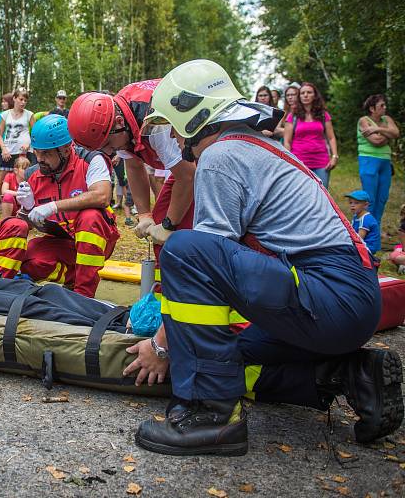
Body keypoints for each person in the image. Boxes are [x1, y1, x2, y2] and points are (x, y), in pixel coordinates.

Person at [129, 58, 401, 457]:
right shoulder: (255, 145)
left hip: (330, 293)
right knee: (229, 357)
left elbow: (203, 263)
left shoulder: (221, 157)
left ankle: (213, 416)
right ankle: (349, 376)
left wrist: (163, 346)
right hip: (346, 301)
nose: (170, 134)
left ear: (194, 116)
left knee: (184, 250)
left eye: (172, 123)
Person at [67, 81, 196, 261]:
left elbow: (188, 177)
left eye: (108, 145)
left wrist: (169, 225)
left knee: (182, 233)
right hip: (189, 169)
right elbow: (134, 165)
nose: (110, 153)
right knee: (160, 222)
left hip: (209, 165)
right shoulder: (116, 119)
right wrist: (144, 214)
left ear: (119, 123)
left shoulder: (155, 124)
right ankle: (166, 284)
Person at [17, 115, 119, 298]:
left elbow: (102, 196)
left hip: (97, 239)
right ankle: (73, 278)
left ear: (65, 149)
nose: (39, 159)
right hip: (63, 241)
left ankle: (83, 295)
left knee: (90, 216)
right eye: (37, 152)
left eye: (46, 153)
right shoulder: (32, 175)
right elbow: (27, 226)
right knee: (27, 258)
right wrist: (27, 209)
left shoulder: (90, 160)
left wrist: (53, 206)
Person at [283, 82, 338, 187]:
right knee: (302, 196)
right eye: (302, 93)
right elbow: (287, 141)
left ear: (315, 95)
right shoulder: (292, 116)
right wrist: (289, 160)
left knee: (323, 194)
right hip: (299, 162)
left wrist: (335, 156)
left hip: (321, 162)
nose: (305, 95)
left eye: (309, 92)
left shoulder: (323, 114)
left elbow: (331, 137)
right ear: (299, 96)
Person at [357, 94, 400, 224]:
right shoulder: (364, 121)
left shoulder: (386, 119)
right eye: (381, 105)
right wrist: (389, 134)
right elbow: (376, 141)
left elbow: (397, 133)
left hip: (385, 162)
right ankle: (364, 228)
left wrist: (377, 129)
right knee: (370, 198)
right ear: (372, 108)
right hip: (368, 160)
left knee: (382, 198)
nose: (384, 107)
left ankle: (375, 228)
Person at [346, 190, 381, 257]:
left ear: (365, 205)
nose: (352, 205)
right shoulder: (356, 216)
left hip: (368, 249)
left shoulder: (366, 219)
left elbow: (359, 239)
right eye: (350, 203)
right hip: (362, 246)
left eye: (356, 203)